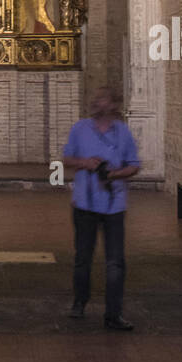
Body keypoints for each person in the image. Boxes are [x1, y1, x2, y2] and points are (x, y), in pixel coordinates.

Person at [63, 86, 140, 330]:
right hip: (85, 204)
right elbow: (66, 159)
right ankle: (79, 301)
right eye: (95, 98)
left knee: (115, 261)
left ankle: (113, 314)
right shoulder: (80, 128)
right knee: (82, 258)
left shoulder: (123, 133)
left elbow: (135, 165)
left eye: (101, 98)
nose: (96, 101)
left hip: (113, 206)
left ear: (113, 104)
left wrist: (114, 174)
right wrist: (85, 163)